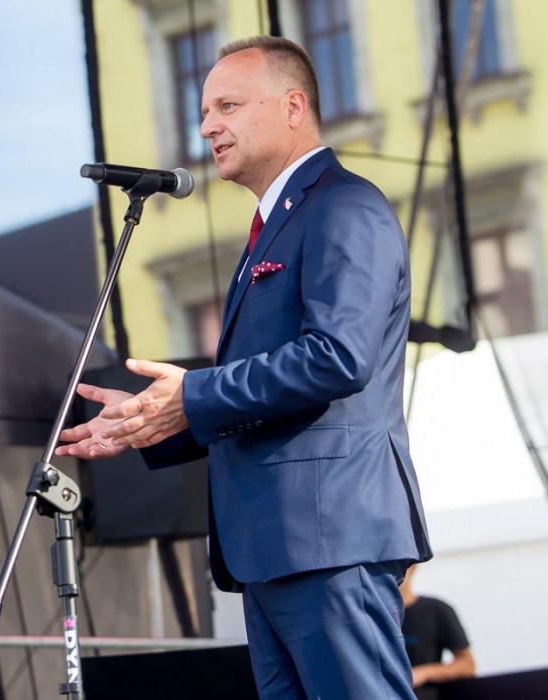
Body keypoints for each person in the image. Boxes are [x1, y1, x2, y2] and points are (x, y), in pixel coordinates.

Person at [56, 36, 432, 698]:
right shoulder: (274, 226)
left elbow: (339, 356)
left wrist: (192, 396)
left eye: (227, 106)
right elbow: (265, 391)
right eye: (203, 111)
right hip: (274, 546)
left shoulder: (344, 206)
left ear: (293, 107)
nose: (207, 127)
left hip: (329, 535)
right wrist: (152, 420)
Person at [401, 565, 476, 699]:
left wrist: (422, 673)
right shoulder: (368, 618)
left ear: (413, 566)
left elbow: (467, 665)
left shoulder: (436, 610)